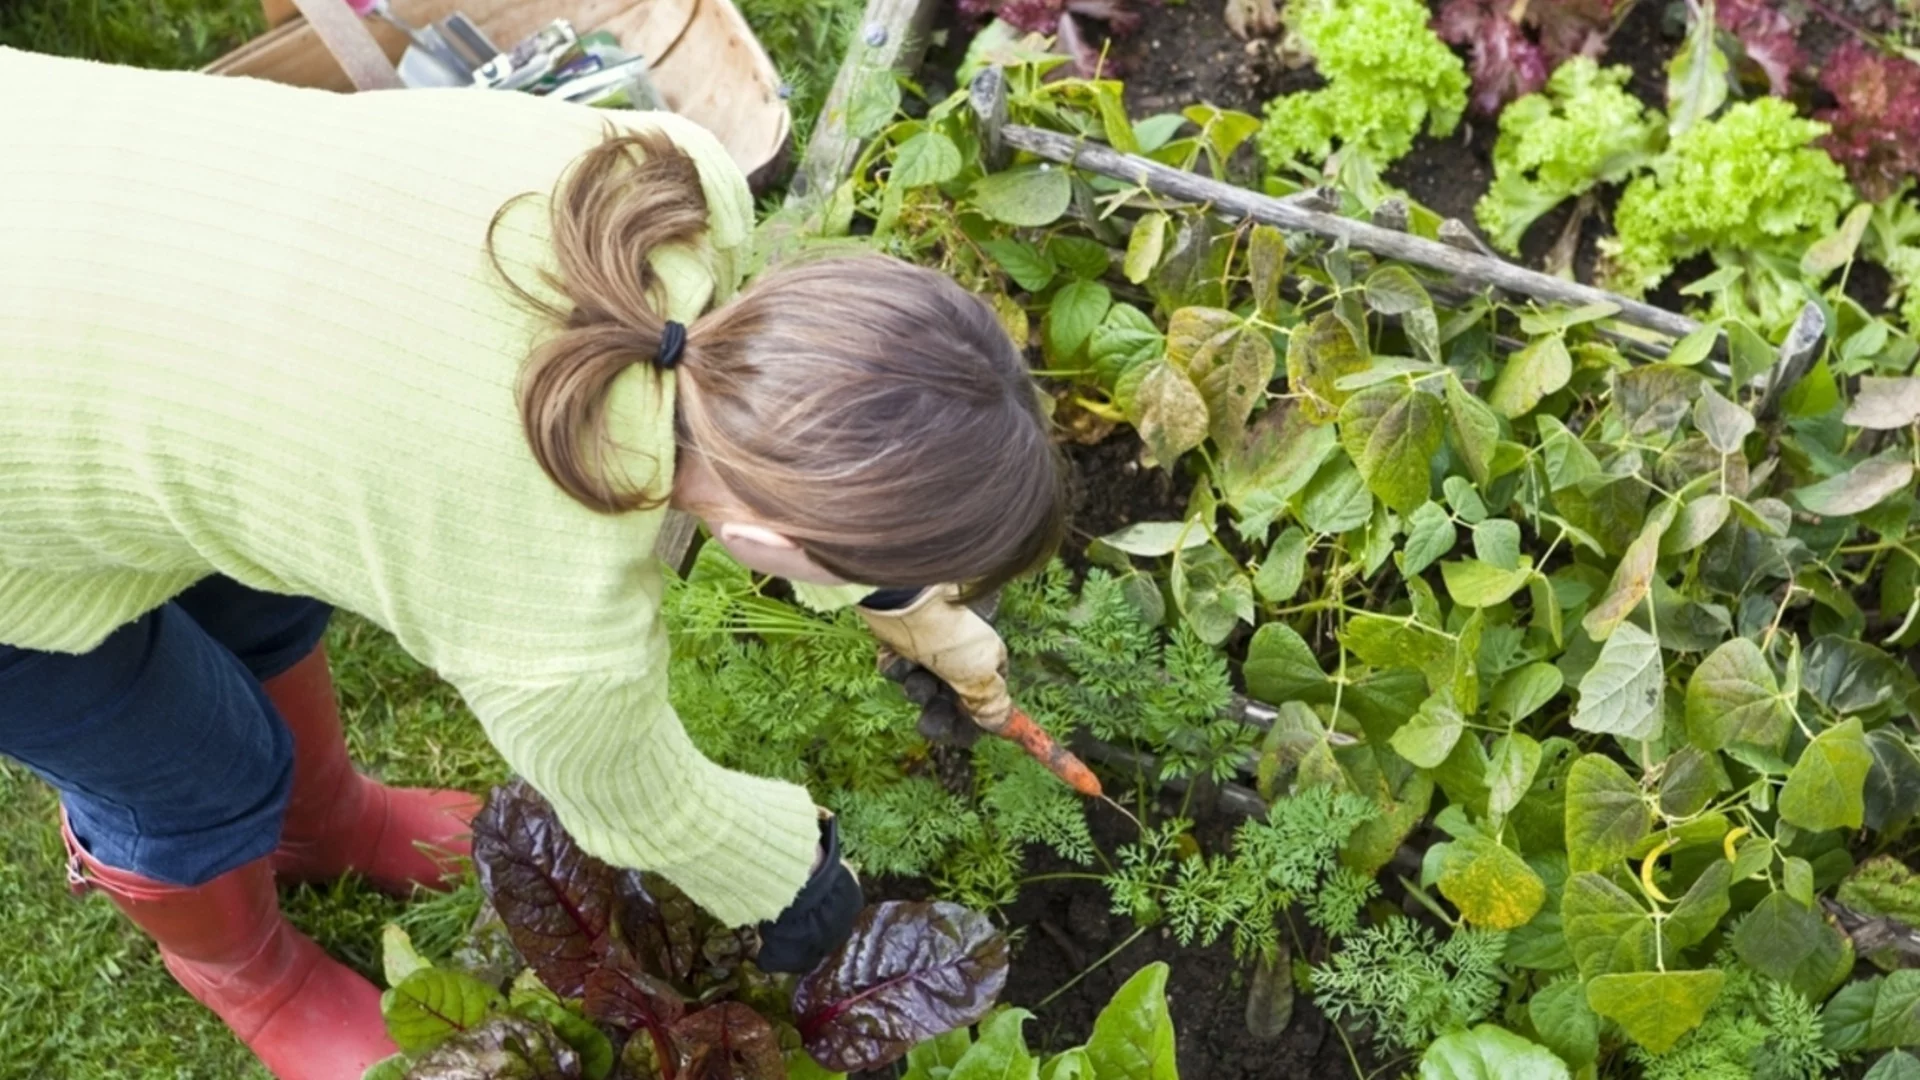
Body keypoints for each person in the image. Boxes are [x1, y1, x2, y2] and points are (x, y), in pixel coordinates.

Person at [0, 46, 1063, 1079]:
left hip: (64, 173)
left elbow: (810, 433)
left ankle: (324, 820)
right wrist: (798, 882)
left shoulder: (664, 177)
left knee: (263, 590)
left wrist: (909, 599)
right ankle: (250, 974)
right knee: (187, 767)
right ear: (778, 550)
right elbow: (648, 807)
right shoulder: (556, 619)